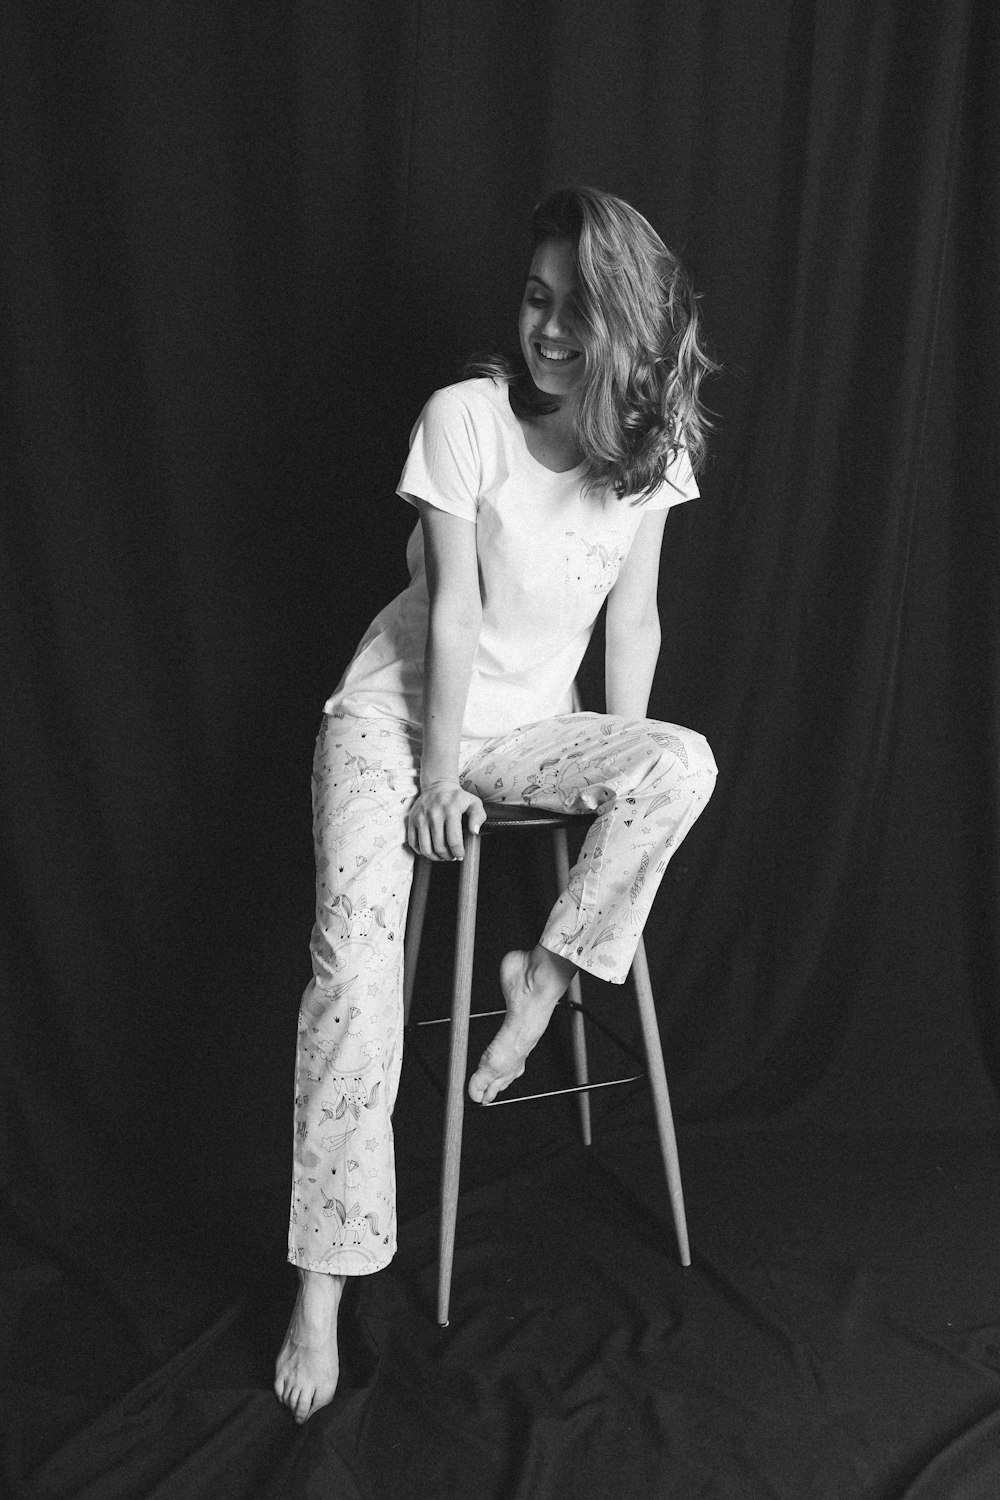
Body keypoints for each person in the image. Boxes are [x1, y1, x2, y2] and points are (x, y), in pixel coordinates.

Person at [274, 185, 719, 1422]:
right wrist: (427, 781)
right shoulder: (463, 420)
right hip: (397, 721)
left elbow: (633, 619)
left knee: (681, 760)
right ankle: (323, 1280)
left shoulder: (648, 451)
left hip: (527, 729)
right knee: (356, 973)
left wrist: (615, 759)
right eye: (535, 299)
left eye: (579, 309)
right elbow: (453, 614)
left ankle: (549, 981)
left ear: (628, 324)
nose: (549, 330)